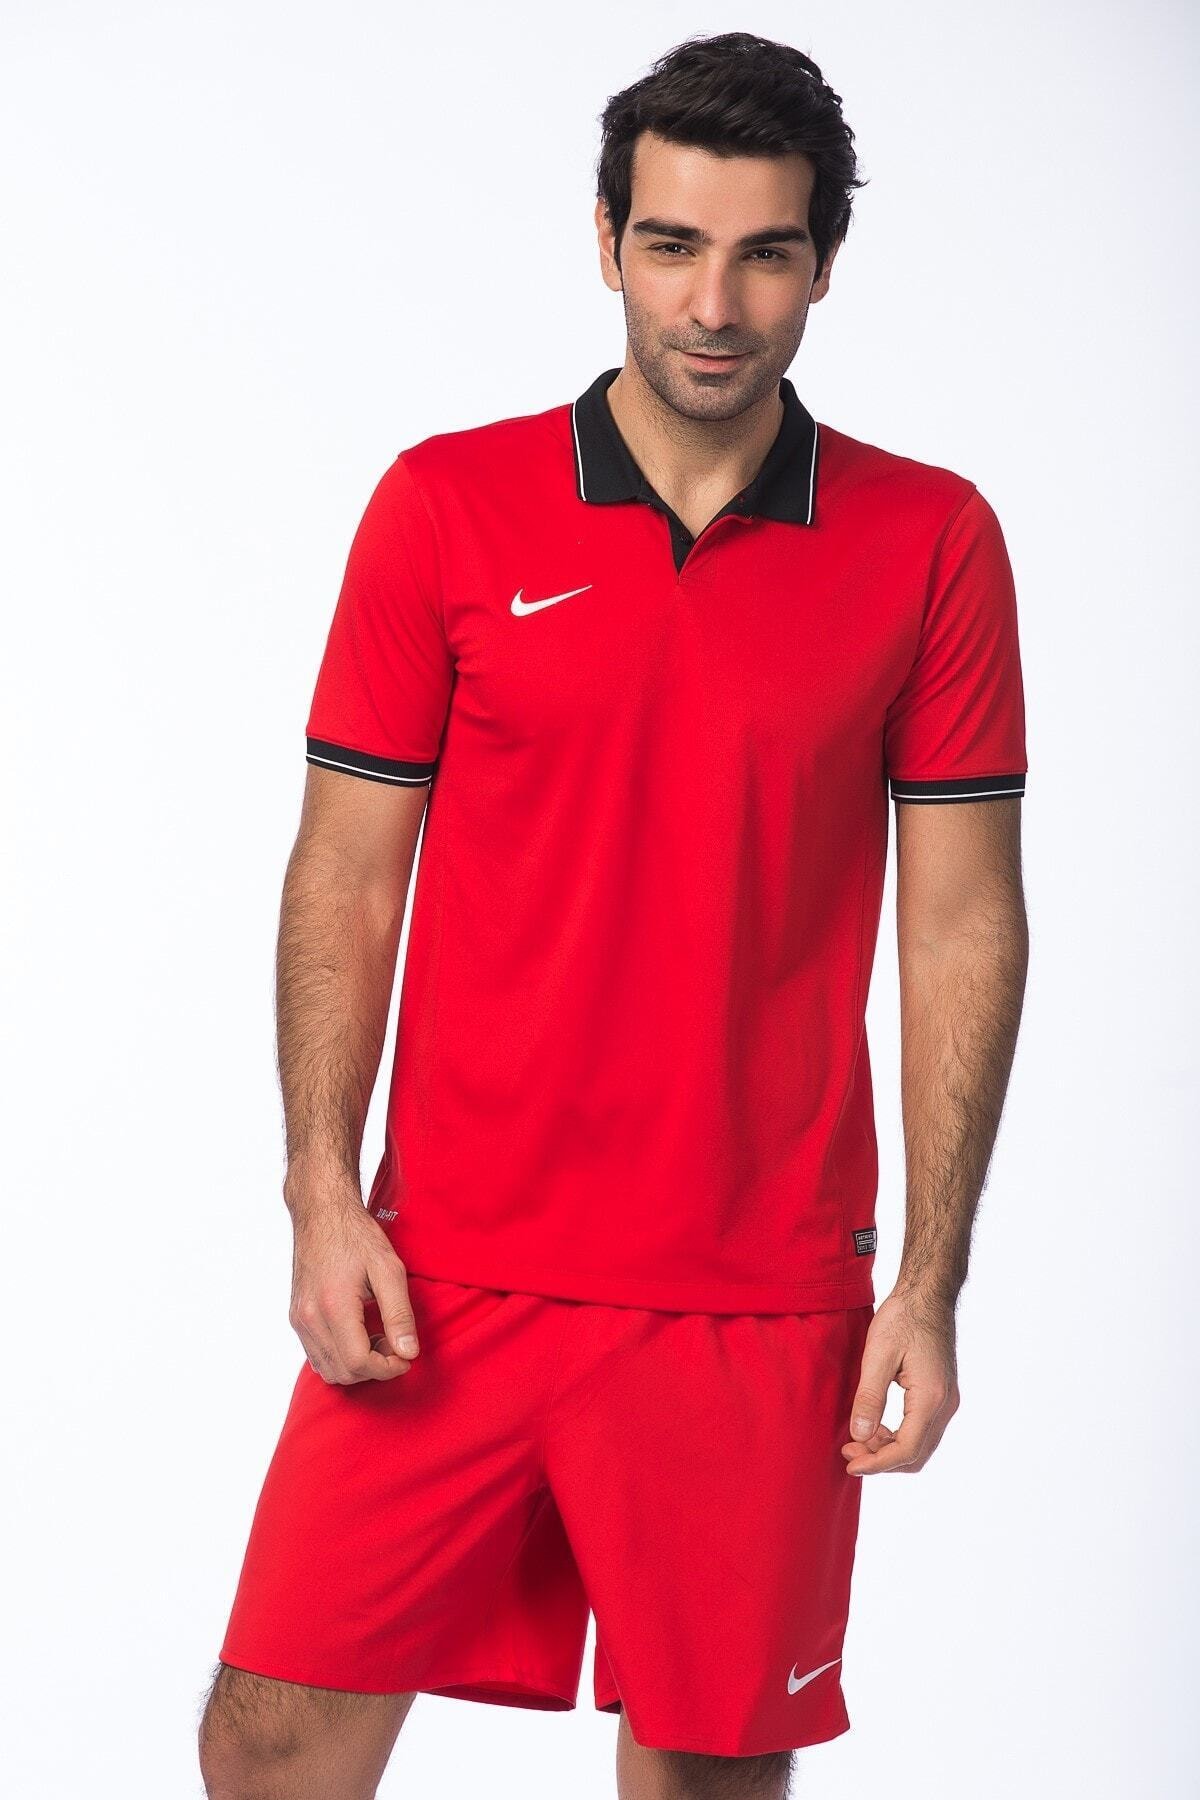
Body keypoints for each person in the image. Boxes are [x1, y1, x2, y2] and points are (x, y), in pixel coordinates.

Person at [198, 29, 1029, 1800]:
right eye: (672, 245)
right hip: (448, 1271)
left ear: (824, 265)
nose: (713, 306)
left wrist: (931, 1280)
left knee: (708, 1780)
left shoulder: (932, 541)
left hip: (756, 1289)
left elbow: (962, 925)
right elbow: (347, 869)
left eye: (765, 254)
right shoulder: (445, 505)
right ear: (605, 241)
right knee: (267, 1743)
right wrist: (321, 1191)